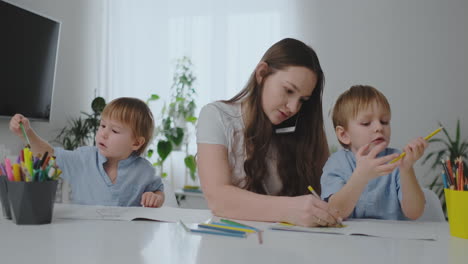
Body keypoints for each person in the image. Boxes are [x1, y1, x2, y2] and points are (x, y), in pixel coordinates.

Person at [197, 38, 340, 227]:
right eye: (289, 90)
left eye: (303, 100)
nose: (293, 107)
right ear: (262, 73)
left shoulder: (303, 129)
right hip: (231, 243)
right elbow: (218, 199)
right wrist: (291, 209)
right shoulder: (216, 116)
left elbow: (327, 194)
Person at [9, 97, 165, 207]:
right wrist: (27, 133)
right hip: (85, 238)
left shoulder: (144, 170)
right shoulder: (83, 158)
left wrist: (155, 197)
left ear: (136, 142)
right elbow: (48, 154)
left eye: (115, 131)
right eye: (102, 126)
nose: (103, 133)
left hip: (126, 241)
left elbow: (158, 190)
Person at [321, 85, 427, 220]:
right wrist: (361, 176)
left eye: (384, 121)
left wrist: (407, 170)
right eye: (366, 123)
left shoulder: (397, 159)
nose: (379, 127)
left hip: (392, 239)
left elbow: (415, 213)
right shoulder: (336, 163)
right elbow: (335, 211)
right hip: (348, 239)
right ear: (344, 135)